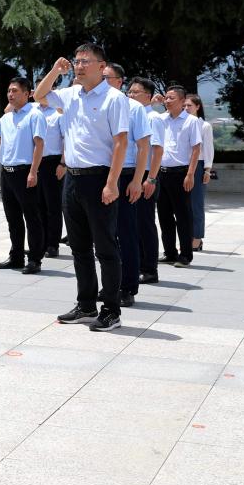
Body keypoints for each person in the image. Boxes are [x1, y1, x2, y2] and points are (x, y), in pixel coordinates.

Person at [34, 44, 129, 332]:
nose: (79, 65)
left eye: (86, 61)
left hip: (99, 179)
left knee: (106, 248)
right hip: (73, 179)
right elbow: (38, 95)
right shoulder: (70, 94)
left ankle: (111, 310)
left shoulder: (114, 98)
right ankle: (86, 305)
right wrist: (55, 70)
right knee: (79, 248)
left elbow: (121, 142)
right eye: (76, 61)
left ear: (102, 66)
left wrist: (112, 182)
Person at [0, 78, 45, 274]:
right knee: (13, 218)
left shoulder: (35, 115)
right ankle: (16, 256)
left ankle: (35, 259)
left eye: (15, 91)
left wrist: (33, 172)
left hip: (24, 172)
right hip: (7, 173)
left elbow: (39, 145)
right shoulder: (7, 118)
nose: (10, 94)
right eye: (9, 90)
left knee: (32, 217)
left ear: (27, 94)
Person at [101, 64, 151, 307]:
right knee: (104, 235)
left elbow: (143, 147)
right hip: (101, 173)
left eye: (106, 77)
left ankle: (128, 286)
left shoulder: (134, 108)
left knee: (126, 232)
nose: (101, 80)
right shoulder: (97, 105)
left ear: (119, 81)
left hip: (126, 174)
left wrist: (137, 180)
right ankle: (110, 284)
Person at [156, 85, 202, 268]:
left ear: (183, 101)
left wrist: (190, 174)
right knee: (164, 215)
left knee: (183, 216)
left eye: (172, 98)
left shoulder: (191, 121)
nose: (167, 101)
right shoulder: (160, 119)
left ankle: (185, 255)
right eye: (166, 97)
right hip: (161, 173)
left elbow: (196, 148)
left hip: (181, 173)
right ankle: (169, 252)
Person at [127, 77, 165, 286]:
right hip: (133, 173)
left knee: (145, 222)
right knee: (133, 223)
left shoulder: (153, 118)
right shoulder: (133, 115)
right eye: (129, 92)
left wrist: (151, 178)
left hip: (147, 175)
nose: (131, 95)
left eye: (136, 92)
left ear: (148, 96)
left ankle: (150, 269)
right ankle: (138, 264)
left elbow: (157, 150)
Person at [32, 95, 66, 258]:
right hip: (35, 162)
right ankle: (41, 243)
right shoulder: (32, 110)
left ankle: (52, 244)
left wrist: (63, 164)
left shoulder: (58, 112)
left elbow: (66, 139)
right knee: (37, 206)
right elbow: (7, 110)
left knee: (53, 206)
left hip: (53, 162)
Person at [185, 93, 214, 252]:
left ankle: (196, 238)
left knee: (196, 204)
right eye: (184, 105)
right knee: (184, 205)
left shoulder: (204, 126)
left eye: (189, 105)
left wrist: (207, 170)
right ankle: (186, 237)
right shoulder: (182, 123)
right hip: (182, 166)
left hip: (198, 165)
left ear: (198, 106)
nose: (186, 108)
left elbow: (208, 149)